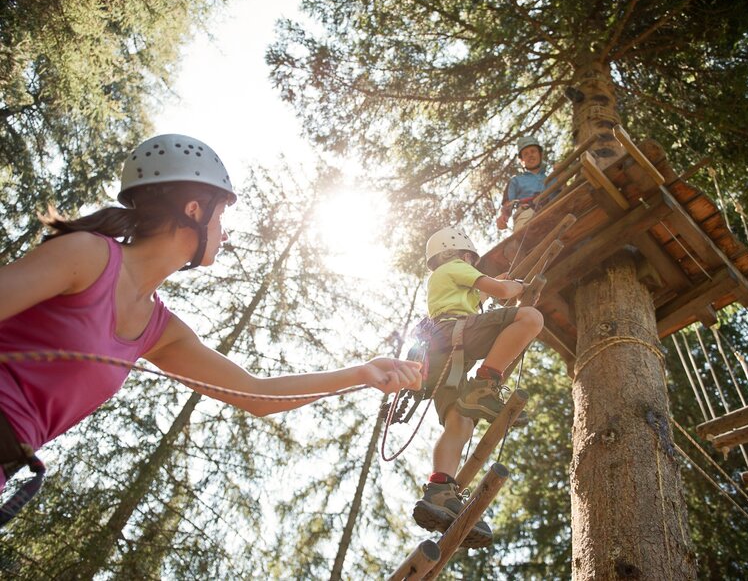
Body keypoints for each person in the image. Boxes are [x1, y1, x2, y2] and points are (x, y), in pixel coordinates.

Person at [0, 133, 421, 524]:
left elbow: (255, 395)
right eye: (220, 215)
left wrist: (362, 373)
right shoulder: (88, 255)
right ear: (194, 210)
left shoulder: (159, 330)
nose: (225, 231)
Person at [412, 227, 543, 548]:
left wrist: (493, 288)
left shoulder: (446, 277)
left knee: (460, 421)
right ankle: (485, 384)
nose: (473, 262)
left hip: (441, 353)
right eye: (470, 257)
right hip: (456, 335)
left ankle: (439, 491)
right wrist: (514, 287)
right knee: (530, 317)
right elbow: (500, 291)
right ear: (456, 254)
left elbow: (481, 294)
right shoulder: (455, 267)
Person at [496, 135, 555, 232]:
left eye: (533, 151)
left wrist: (562, 174)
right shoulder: (516, 181)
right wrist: (503, 217)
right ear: (522, 160)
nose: (530, 155)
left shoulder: (553, 178)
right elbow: (508, 203)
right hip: (527, 213)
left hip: (554, 212)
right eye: (525, 154)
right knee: (523, 236)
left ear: (540, 154)